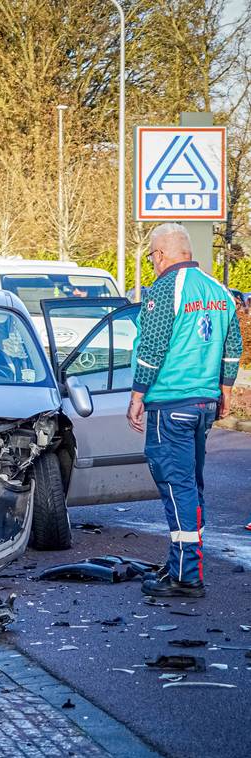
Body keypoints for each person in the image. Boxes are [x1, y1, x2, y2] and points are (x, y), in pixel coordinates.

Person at [126, 223, 242, 599]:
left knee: (177, 486)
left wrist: (137, 395)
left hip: (170, 403)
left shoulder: (163, 290)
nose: (153, 263)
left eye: (152, 256)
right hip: (203, 404)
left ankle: (186, 576)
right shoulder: (219, 291)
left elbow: (152, 347)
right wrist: (224, 392)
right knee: (191, 485)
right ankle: (180, 564)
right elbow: (232, 346)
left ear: (161, 254)